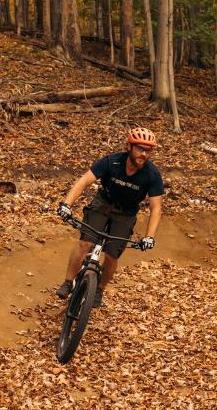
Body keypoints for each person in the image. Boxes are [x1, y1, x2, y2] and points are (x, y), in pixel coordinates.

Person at [56, 126, 164, 308]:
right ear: (129, 147)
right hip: (103, 204)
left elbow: (156, 208)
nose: (144, 154)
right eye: (140, 148)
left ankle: (98, 289)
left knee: (113, 255)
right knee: (86, 243)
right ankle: (68, 282)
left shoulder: (152, 174)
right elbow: (84, 181)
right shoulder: (111, 162)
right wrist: (66, 205)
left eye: (148, 150)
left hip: (126, 213)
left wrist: (149, 237)